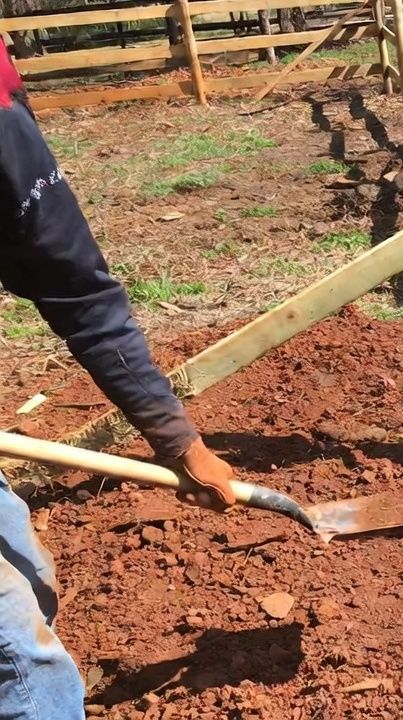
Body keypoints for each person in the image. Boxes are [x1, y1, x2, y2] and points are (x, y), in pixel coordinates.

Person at [0, 40, 237, 719]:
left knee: (28, 583)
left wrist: (180, 443)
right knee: (19, 654)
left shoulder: (2, 118)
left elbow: (77, 290)